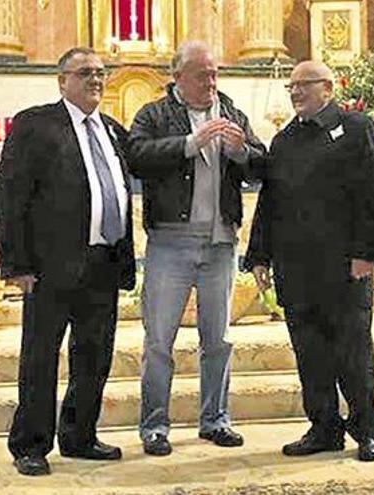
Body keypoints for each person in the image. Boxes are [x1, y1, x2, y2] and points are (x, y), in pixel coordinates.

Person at [0, 47, 135, 476]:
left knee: (94, 355)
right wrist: (16, 263)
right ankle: (31, 445)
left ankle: (80, 436)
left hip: (103, 263)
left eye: (100, 73)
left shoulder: (112, 130)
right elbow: (9, 194)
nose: (96, 79)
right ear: (62, 80)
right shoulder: (36, 124)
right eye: (85, 72)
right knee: (40, 356)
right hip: (50, 266)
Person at [244, 60, 374, 462]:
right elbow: (271, 201)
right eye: (291, 87)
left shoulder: (357, 128)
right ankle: (324, 427)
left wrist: (368, 254)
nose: (294, 92)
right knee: (310, 352)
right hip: (297, 268)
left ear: (327, 87)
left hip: (345, 266)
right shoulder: (285, 140)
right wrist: (259, 253)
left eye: (303, 85)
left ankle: (366, 429)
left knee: (352, 351)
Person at [127, 40, 266, 456]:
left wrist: (241, 152)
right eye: (203, 74)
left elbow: (262, 163)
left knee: (218, 339)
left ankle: (215, 419)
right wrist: (190, 141)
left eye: (215, 73)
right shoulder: (154, 114)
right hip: (170, 241)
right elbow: (136, 155)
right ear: (178, 78)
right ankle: (154, 426)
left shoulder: (231, 110)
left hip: (221, 240)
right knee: (158, 341)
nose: (212, 81)